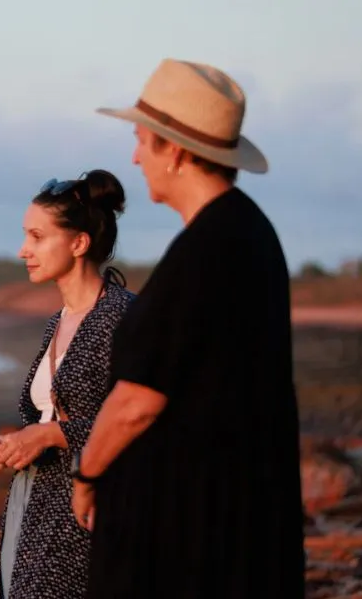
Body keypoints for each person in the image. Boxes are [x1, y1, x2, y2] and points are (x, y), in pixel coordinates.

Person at [72, 58, 305, 597]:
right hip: (231, 525)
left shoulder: (209, 248)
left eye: (140, 141)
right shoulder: (245, 232)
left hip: (190, 536)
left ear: (173, 150)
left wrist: (87, 475)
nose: (133, 156)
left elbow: (139, 401)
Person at [0, 171, 134, 599]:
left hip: (90, 506)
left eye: (36, 236)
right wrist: (16, 443)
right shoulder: (58, 321)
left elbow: (143, 421)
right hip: (36, 500)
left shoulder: (123, 317)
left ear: (78, 243)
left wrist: (50, 434)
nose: (23, 250)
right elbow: (50, 416)